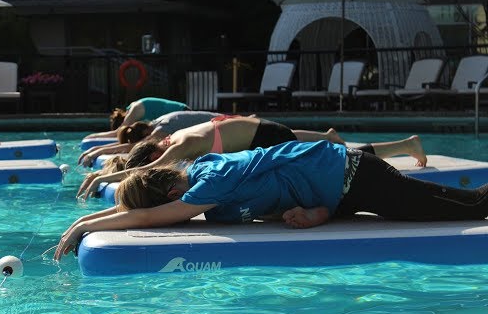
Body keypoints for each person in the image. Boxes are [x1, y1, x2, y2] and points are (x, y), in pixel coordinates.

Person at [53, 140, 488, 260]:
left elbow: (149, 218)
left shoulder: (210, 183)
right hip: (339, 190)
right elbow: (145, 212)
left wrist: (83, 226)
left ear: (170, 195)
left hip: (354, 176)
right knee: (457, 205)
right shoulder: (203, 183)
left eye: (167, 207)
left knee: (470, 208)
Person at [76, 115, 426, 199]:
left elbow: (154, 168)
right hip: (260, 131)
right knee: (335, 153)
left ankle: (405, 145)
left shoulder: (176, 147)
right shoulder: (177, 140)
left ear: (154, 152)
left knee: (341, 157)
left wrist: (101, 177)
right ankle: (401, 145)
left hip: (265, 136)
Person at [78, 110, 221, 167]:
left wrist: (97, 151)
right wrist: (96, 149)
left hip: (222, 125)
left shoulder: (162, 129)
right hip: (220, 124)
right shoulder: (158, 121)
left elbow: (133, 147)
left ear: (146, 132)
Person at [83, 97, 191, 140]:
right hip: (182, 112)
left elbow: (117, 132)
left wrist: (92, 136)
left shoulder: (134, 110)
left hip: (183, 113)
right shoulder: (134, 106)